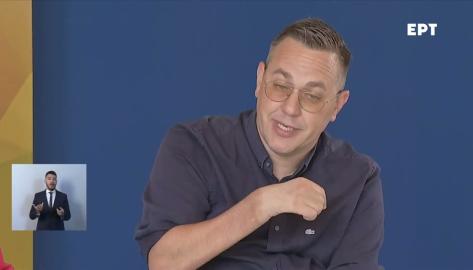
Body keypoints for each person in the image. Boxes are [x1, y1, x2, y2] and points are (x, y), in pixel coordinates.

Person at [135, 18, 384, 270]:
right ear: (259, 79)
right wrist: (261, 205)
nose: (290, 108)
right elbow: (164, 262)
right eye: (280, 86)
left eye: (312, 96)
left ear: (337, 106)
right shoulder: (194, 145)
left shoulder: (358, 177)